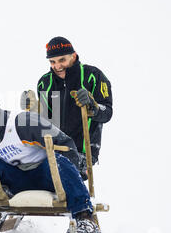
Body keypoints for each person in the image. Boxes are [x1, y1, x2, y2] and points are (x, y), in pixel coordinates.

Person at [0, 91, 101, 233]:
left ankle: (84, 217)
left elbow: (65, 145)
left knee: (57, 158)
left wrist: (74, 174)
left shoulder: (22, 122)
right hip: (15, 181)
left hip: (47, 175)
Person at [23, 36, 113, 175]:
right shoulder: (44, 82)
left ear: (73, 56)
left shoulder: (93, 76)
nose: (57, 66)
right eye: (52, 62)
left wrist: (92, 106)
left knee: (60, 175)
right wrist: (33, 109)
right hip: (52, 148)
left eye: (62, 60)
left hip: (82, 151)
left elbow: (107, 113)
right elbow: (48, 120)